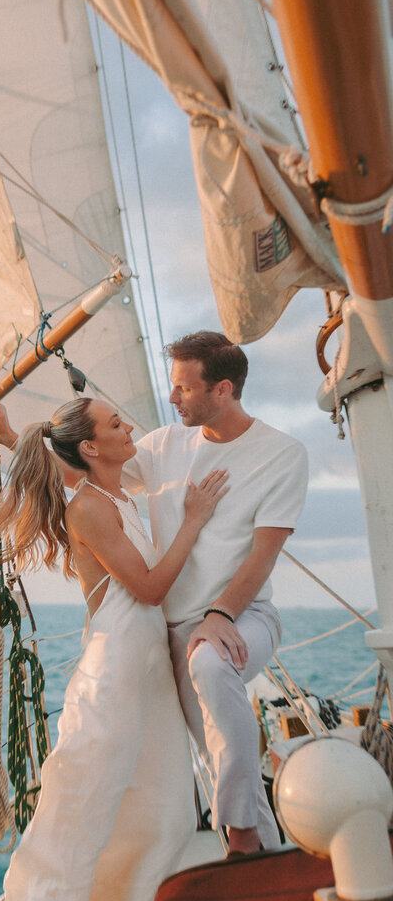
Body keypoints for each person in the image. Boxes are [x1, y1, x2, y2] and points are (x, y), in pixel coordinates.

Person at [0, 396, 228, 901]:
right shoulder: (88, 504)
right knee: (79, 824)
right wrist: (193, 522)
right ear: (90, 448)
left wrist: (13, 436)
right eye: (116, 424)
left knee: (164, 815)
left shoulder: (114, 493)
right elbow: (147, 588)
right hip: (113, 680)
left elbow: (50, 460)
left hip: (146, 682)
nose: (130, 428)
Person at [121, 331, 308, 854]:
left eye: (183, 387)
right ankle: (259, 858)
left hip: (248, 615)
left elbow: (263, 555)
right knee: (217, 758)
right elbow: (90, 469)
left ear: (223, 389)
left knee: (209, 664)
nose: (173, 398)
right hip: (178, 628)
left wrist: (221, 614)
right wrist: (11, 438)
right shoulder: (162, 446)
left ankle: (242, 835)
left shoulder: (283, 454)